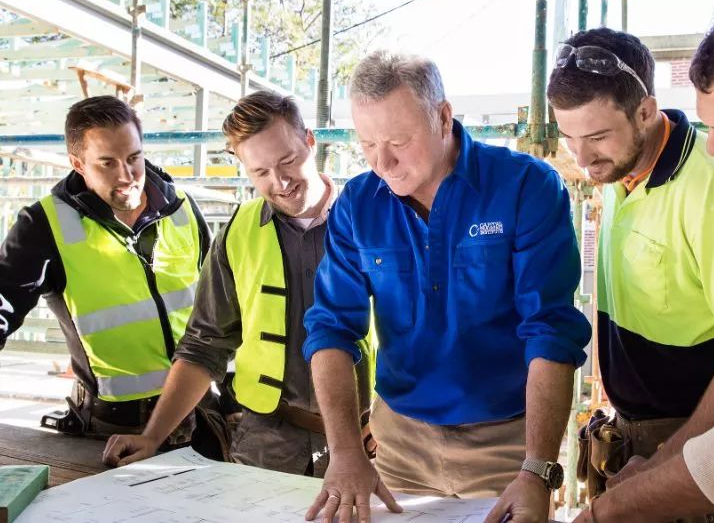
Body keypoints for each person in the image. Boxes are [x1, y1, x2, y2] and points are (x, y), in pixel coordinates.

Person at [301, 50, 591, 523]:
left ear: (442, 117)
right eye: (367, 144)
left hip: (508, 443)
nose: (382, 162)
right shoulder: (358, 203)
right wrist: (346, 451)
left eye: (398, 140)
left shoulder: (526, 187)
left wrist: (537, 470)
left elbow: (551, 332)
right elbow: (332, 328)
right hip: (398, 444)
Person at [548, 26, 714, 521]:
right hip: (638, 436)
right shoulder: (621, 173)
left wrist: (669, 458)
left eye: (597, 136)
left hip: (695, 444)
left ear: (645, 111)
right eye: (569, 137)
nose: (582, 157)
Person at [102, 89, 374, 477]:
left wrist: (395, 417)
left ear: (310, 141)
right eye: (260, 172)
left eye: (288, 161)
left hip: (370, 441)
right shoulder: (238, 232)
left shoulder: (372, 222)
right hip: (266, 442)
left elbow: (417, 331)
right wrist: (153, 437)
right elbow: (204, 344)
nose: (280, 182)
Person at [0, 95, 209, 441]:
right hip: (116, 427)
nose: (127, 176)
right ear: (78, 164)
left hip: (202, 413)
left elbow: (222, 310)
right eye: (107, 163)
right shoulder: (44, 224)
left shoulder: (183, 208)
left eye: (133, 158)